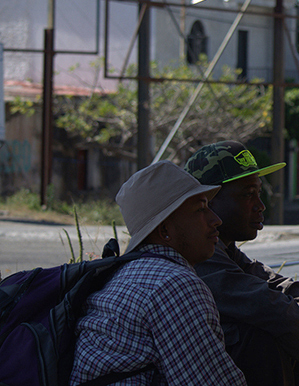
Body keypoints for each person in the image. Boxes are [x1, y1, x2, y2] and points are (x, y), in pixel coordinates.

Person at [185, 141, 299, 386]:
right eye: (247, 195)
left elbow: (289, 290)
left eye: (258, 192)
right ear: (208, 201)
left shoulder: (225, 251)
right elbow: (270, 308)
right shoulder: (197, 256)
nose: (260, 205)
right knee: (261, 336)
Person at [70, 161, 247, 386]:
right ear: (164, 230)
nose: (216, 220)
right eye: (200, 209)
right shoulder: (174, 284)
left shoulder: (125, 273)